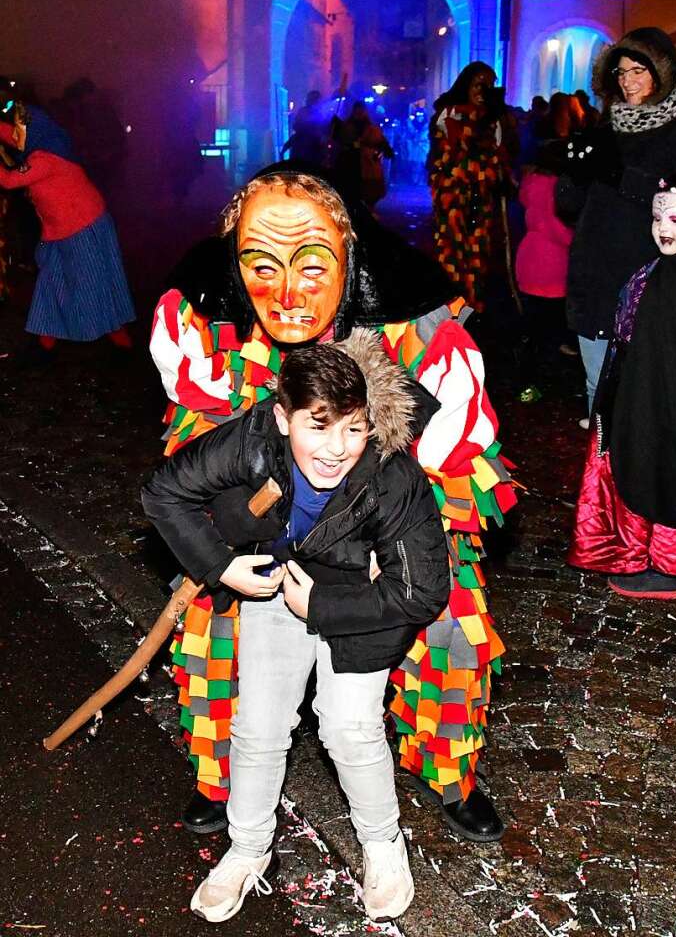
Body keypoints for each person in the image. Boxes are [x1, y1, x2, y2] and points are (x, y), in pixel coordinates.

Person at [149, 166, 516, 844]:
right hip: (266, 539)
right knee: (209, 626)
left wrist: (397, 550)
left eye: (311, 264)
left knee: (452, 625)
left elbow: (456, 464)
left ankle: (450, 774)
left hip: (388, 528)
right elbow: (190, 467)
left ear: (350, 258)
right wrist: (221, 549)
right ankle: (220, 778)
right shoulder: (211, 335)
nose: (286, 293)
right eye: (261, 265)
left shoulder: (420, 337)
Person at [143, 339, 450, 923]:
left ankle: (383, 845)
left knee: (348, 726)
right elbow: (163, 491)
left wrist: (325, 606)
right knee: (258, 726)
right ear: (284, 419)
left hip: (363, 604)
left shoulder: (392, 476)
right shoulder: (254, 438)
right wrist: (222, 565)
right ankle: (248, 847)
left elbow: (422, 590)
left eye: (354, 429)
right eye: (320, 427)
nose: (337, 449)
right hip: (278, 585)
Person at [568, 162, 676, 598]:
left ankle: (672, 564)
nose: (663, 227)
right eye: (657, 216)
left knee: (672, 472)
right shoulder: (671, 268)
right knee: (646, 465)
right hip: (651, 395)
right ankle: (644, 551)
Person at [558, 27, 676, 423]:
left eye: (638, 71)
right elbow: (570, 206)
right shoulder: (607, 126)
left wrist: (618, 174)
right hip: (595, 274)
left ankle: (636, 476)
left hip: (649, 278)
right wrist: (573, 175)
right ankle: (601, 477)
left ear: (660, 74)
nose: (627, 82)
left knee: (643, 393)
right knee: (598, 390)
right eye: (621, 72)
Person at [0, 99, 134, 357]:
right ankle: (45, 340)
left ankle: (118, 339)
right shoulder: (40, 143)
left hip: (84, 226)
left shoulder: (44, 160)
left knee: (94, 283)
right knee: (50, 281)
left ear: (33, 132)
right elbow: (12, 134)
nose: (14, 135)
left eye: (19, 130)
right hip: (58, 229)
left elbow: (7, 180)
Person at [429, 62, 511, 313]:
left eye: (489, 85)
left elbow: (499, 157)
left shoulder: (493, 121)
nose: (483, 90)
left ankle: (473, 305)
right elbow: (448, 153)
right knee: (452, 252)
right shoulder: (450, 114)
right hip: (453, 196)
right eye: (479, 84)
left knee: (478, 252)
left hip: (481, 198)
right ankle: (450, 305)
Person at [515, 141, 575, 359]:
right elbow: (555, 228)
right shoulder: (554, 189)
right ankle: (548, 348)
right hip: (551, 260)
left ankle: (531, 349)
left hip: (529, 254)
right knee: (553, 311)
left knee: (534, 311)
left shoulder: (531, 184)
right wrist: (575, 240)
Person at [334, 101, 393, 207]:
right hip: (350, 161)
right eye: (358, 110)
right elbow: (340, 139)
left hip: (366, 162)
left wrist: (385, 149)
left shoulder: (370, 127)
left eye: (361, 111)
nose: (359, 113)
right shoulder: (348, 125)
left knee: (369, 190)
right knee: (350, 188)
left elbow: (379, 141)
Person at [281, 90, 327, 166]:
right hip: (308, 153)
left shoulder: (304, 111)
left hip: (303, 152)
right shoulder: (316, 114)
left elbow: (296, 127)